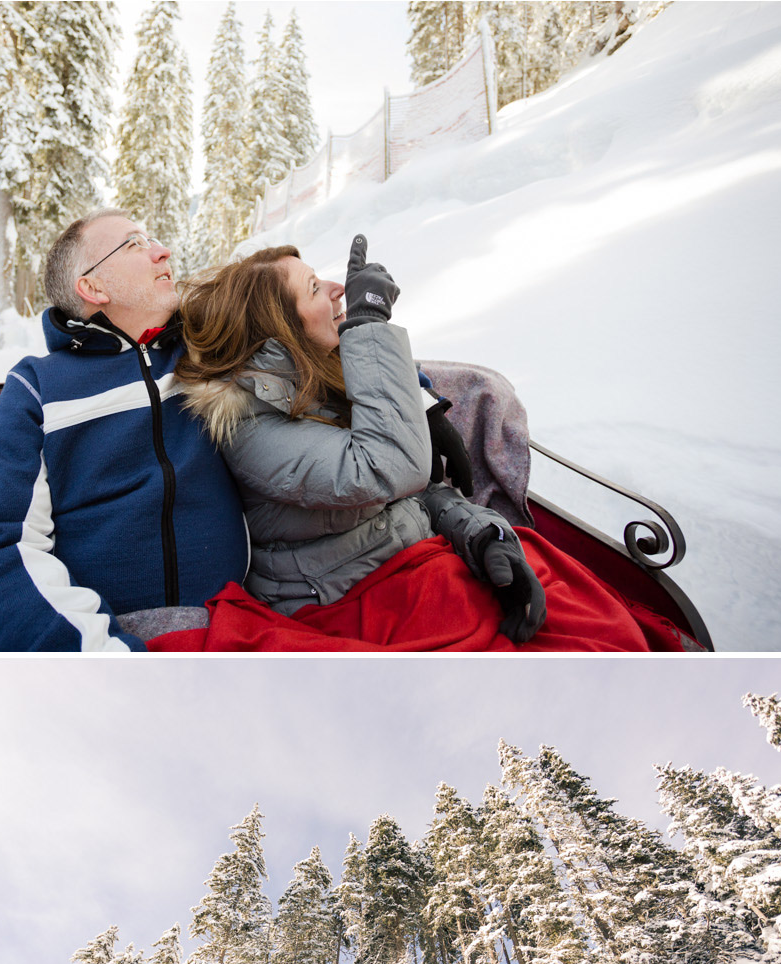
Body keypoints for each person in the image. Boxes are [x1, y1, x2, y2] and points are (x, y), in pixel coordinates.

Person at [170, 234, 654, 653]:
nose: (339, 289)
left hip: (414, 557)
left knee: (598, 620)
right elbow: (391, 470)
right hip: (355, 601)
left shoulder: (321, 381)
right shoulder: (251, 430)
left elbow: (415, 493)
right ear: (280, 330)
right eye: (315, 288)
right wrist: (367, 325)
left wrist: (482, 534)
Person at [0, 208, 250, 651]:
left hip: (242, 619)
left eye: (153, 240)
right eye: (135, 244)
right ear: (93, 287)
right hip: (115, 635)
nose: (162, 251)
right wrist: (103, 659)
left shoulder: (203, 350)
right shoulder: (38, 388)